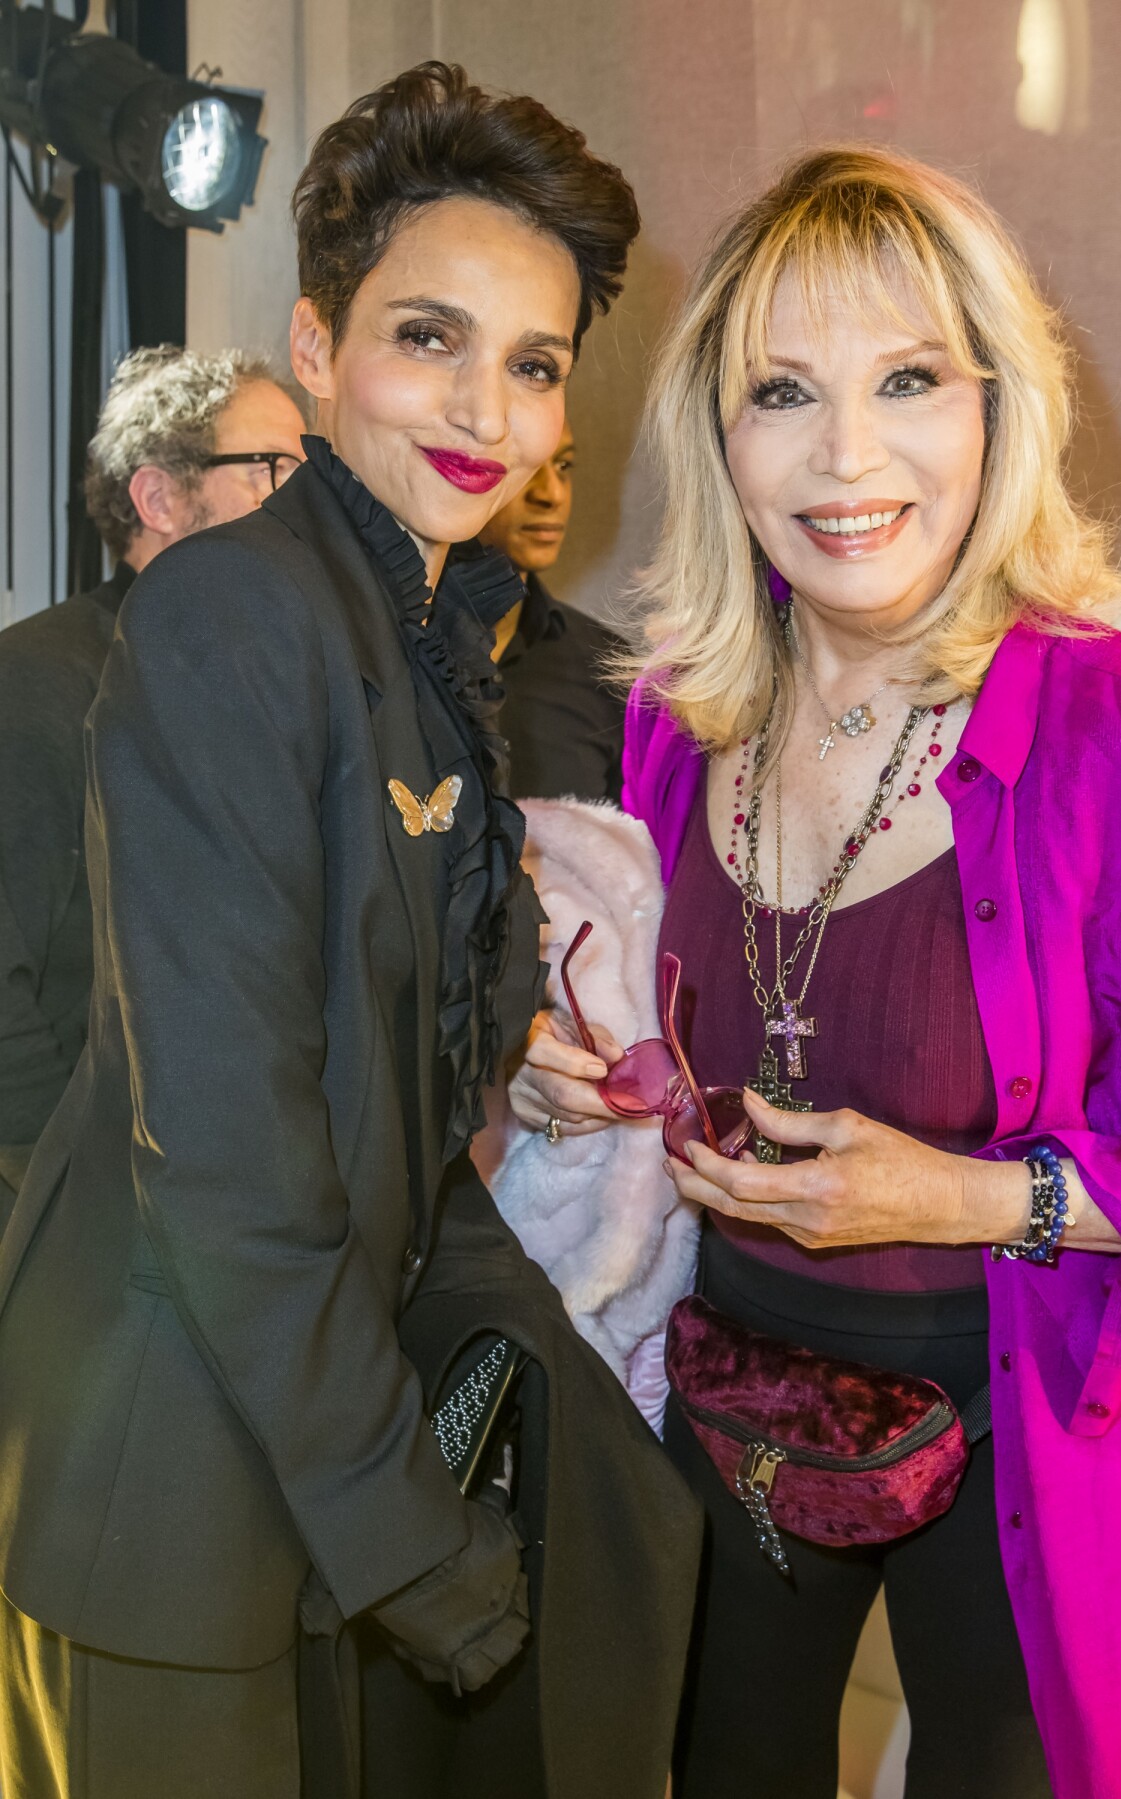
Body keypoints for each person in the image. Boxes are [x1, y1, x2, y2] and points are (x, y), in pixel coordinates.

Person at [0, 63, 698, 1799]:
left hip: (287, 1434)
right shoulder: (243, 606)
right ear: (314, 349)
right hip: (165, 1462)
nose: (489, 408)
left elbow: (399, 1047)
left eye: (534, 364)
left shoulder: (420, 622)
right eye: (428, 338)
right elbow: (228, 1145)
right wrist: (420, 1539)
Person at [510, 145, 1121, 1799]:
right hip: (739, 1388)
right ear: (715, 435)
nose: (848, 455)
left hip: (1027, 1418)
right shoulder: (678, 713)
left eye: (907, 380)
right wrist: (590, 1072)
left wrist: (973, 1199)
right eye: (783, 392)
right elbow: (711, 1023)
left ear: (994, 409)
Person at [0, 346, 306, 1222]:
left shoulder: (271, 688)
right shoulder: (32, 683)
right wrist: (73, 1194)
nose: (303, 501)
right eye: (271, 468)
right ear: (159, 498)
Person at [474, 421, 625, 800]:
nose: (552, 494)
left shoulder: (610, 670)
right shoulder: (381, 644)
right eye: (521, 466)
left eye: (563, 466)